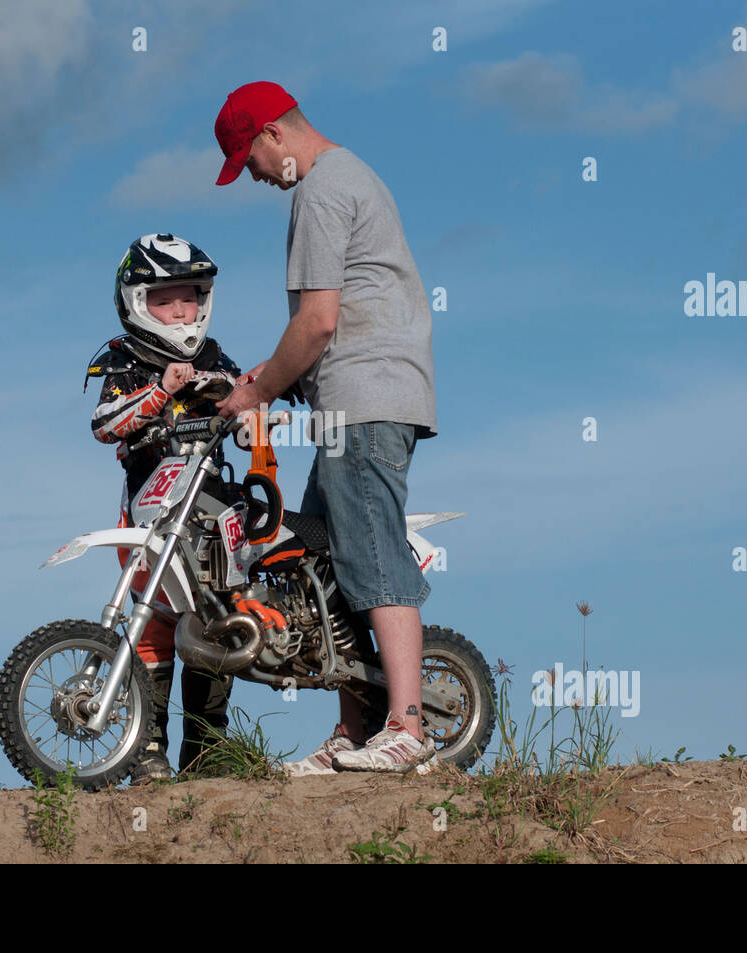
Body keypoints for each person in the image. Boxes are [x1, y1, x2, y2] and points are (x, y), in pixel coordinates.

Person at [213, 82, 439, 774]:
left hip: (367, 400)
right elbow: (317, 331)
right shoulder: (347, 176)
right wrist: (277, 378)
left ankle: (408, 725)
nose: (251, 175)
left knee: (368, 552)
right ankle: (356, 729)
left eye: (247, 158)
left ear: (274, 135)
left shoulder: (319, 189)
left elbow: (317, 322)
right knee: (324, 566)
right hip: (351, 399)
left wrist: (256, 390)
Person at [86, 232, 243, 784]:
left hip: (212, 509)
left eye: (190, 296)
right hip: (149, 510)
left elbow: (246, 398)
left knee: (216, 619)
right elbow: (105, 425)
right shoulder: (122, 357)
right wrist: (159, 391)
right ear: (136, 301)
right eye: (165, 299)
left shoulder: (214, 354)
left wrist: (252, 411)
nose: (180, 311)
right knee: (152, 623)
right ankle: (145, 747)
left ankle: (209, 750)